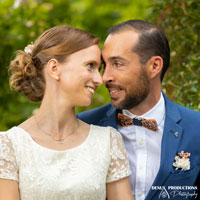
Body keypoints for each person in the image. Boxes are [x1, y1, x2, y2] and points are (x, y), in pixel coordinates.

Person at [0, 25, 134, 200]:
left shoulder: (108, 142)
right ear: (54, 68)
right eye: (90, 66)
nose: (99, 79)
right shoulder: (9, 146)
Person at [77, 20, 200, 200]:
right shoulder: (83, 127)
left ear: (154, 66)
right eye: (105, 65)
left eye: (117, 64)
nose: (105, 77)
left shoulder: (196, 129)